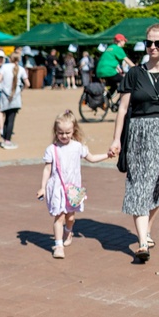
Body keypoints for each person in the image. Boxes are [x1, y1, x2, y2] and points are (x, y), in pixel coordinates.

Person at [108, 23, 159, 262]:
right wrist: (116, 140)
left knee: (156, 186)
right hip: (139, 133)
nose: (152, 47)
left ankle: (147, 231)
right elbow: (122, 109)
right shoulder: (134, 73)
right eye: (148, 43)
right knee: (139, 185)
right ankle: (142, 243)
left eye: (157, 43)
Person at [37, 110, 111, 259]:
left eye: (67, 133)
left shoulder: (78, 147)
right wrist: (42, 187)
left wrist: (107, 155)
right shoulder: (52, 149)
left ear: (73, 131)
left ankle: (68, 231)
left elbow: (91, 158)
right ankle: (58, 245)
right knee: (59, 217)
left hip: (74, 189)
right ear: (55, 132)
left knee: (70, 218)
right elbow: (47, 169)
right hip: (57, 188)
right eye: (60, 133)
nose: (64, 136)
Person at [0, 51, 29, 150]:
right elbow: (28, 83)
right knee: (11, 119)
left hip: (5, 96)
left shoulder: (4, 67)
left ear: (10, 58)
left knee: (6, 119)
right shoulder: (21, 69)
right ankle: (8, 140)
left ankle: (5, 138)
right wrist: (21, 89)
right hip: (16, 97)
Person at [96, 34, 135, 99]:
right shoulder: (118, 48)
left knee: (113, 86)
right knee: (125, 81)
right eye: (124, 41)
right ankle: (121, 101)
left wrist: (119, 69)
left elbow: (110, 60)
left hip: (99, 70)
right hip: (109, 71)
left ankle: (105, 101)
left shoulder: (110, 47)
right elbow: (127, 60)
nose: (125, 42)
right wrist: (137, 68)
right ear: (120, 41)